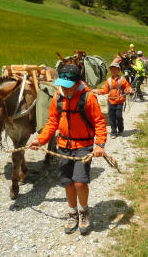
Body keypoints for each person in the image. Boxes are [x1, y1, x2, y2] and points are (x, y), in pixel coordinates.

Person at [29, 64, 107, 235]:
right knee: (68, 182)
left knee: (80, 182)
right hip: (63, 145)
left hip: (83, 146)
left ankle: (84, 212)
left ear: (77, 82)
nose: (64, 87)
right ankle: (72, 213)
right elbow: (52, 122)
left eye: (68, 84)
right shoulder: (58, 96)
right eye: (62, 83)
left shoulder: (88, 97)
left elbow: (99, 122)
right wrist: (40, 140)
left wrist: (100, 144)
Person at [93, 62, 133, 139]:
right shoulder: (108, 80)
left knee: (118, 116)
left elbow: (127, 87)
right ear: (110, 71)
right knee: (111, 117)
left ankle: (121, 127)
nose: (113, 71)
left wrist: (130, 90)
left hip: (120, 101)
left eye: (115, 69)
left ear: (118, 70)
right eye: (112, 69)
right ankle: (113, 132)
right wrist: (97, 91)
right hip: (111, 101)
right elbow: (105, 91)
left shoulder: (122, 80)